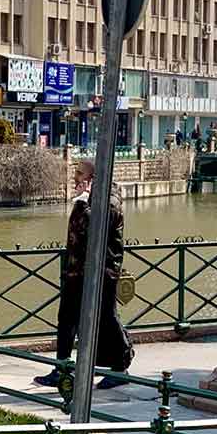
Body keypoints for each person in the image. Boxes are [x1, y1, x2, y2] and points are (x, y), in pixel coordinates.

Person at [33, 161, 135, 390]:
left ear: (92, 178)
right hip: (77, 270)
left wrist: (82, 203)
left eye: (79, 173)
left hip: (102, 271)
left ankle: (121, 366)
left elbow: (97, 230)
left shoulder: (110, 198)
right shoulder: (90, 196)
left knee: (106, 317)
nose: (74, 177)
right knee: (67, 318)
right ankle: (63, 368)